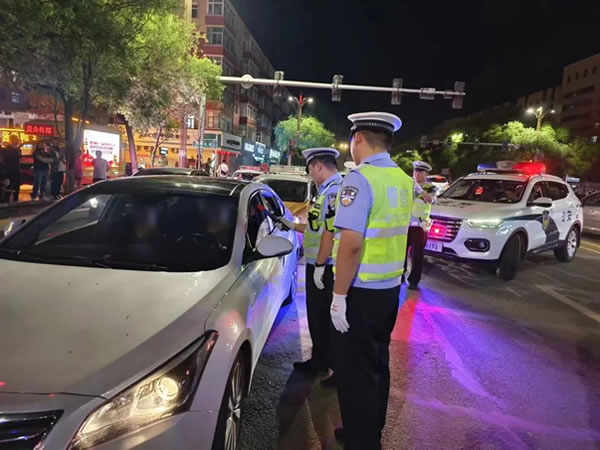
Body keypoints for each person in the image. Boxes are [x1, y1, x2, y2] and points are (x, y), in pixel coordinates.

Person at [330, 112, 413, 449]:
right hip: (390, 289)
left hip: (361, 291)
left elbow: (351, 244)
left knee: (355, 371)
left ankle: (361, 440)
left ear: (359, 139)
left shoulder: (359, 179)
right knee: (377, 361)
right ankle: (370, 429)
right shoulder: (403, 179)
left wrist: (339, 296)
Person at [277, 147, 343, 387]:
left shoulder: (334, 191)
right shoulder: (325, 191)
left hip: (325, 265)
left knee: (326, 318)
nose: (311, 175)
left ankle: (335, 369)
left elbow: (330, 232)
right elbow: (316, 228)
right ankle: (319, 362)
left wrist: (320, 265)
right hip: (318, 263)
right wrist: (290, 225)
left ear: (318, 165)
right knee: (317, 316)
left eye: (310, 170)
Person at [404, 160, 437, 289]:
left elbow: (430, 200)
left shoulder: (431, 187)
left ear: (426, 174)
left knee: (417, 254)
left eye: (420, 172)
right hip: (406, 224)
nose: (416, 174)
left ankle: (413, 281)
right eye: (415, 171)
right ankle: (400, 275)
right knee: (401, 252)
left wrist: (420, 190)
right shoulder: (408, 185)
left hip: (419, 225)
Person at [2, 135, 21, 203]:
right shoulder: (6, 149)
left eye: (17, 139)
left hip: (17, 171)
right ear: (11, 140)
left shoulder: (18, 149)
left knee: (17, 187)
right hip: (8, 171)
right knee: (9, 187)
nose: (17, 141)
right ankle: (6, 202)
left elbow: (19, 159)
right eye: (15, 139)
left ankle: (16, 200)